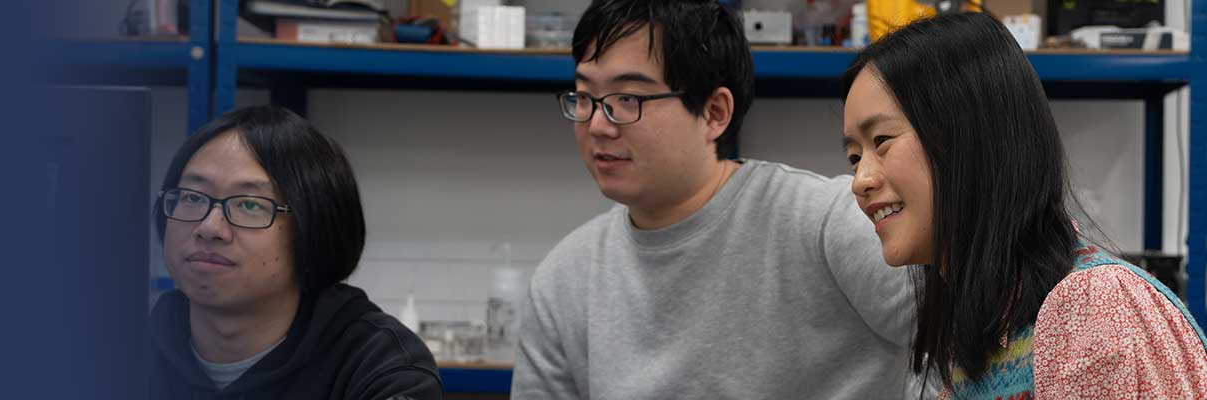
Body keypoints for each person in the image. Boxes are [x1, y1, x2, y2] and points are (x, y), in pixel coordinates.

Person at [511, 0, 919, 398]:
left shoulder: (827, 223)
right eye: (585, 97)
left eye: (627, 100)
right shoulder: (563, 279)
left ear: (714, 112)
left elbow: (969, 343)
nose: (598, 124)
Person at [840, 12, 1207, 398]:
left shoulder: (1091, 307)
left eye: (881, 139)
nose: (860, 181)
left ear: (970, 137)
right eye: (853, 157)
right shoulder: (981, 331)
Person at [148, 105, 443, 399]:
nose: (209, 227)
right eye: (191, 197)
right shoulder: (120, 347)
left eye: (250, 205)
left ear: (314, 226)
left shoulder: (377, 364)